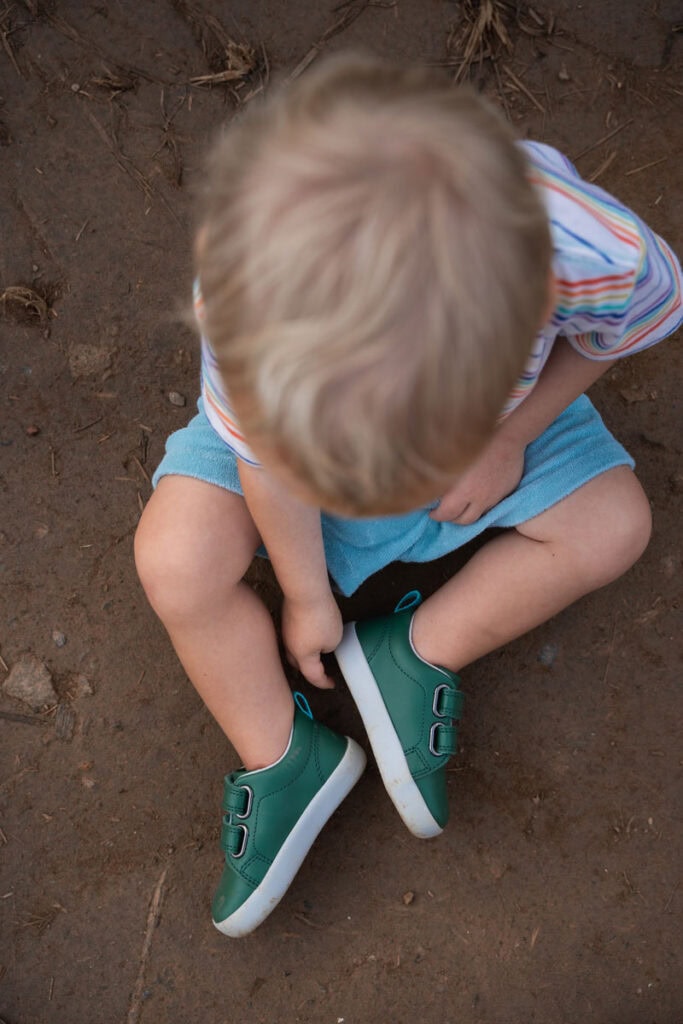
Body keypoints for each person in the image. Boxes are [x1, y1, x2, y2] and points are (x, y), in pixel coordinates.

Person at [134, 54, 682, 938]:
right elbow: (270, 459)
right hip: (282, 470)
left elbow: (635, 320)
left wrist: (505, 431)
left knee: (613, 526)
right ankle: (283, 754)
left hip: (494, 439)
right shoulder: (251, 297)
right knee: (175, 558)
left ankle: (413, 651)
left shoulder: (583, 246)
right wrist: (307, 595)